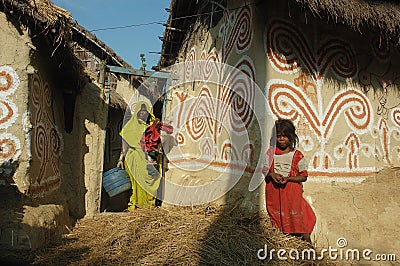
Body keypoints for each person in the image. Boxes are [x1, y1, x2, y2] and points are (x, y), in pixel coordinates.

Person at [263, 119, 316, 243]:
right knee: (278, 220)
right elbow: (264, 170)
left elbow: (303, 176)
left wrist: (288, 179)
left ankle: (309, 251)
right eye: (279, 136)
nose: (281, 139)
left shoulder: (297, 156)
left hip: (292, 195)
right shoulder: (270, 154)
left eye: (285, 136)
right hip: (276, 194)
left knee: (298, 219)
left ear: (291, 137)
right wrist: (272, 175)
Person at [117, 101, 161, 210]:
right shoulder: (129, 127)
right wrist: (120, 159)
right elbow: (124, 144)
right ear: (137, 112)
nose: (142, 113)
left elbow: (157, 142)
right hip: (134, 158)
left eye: (145, 111)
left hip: (147, 158)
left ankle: (149, 205)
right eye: (140, 111)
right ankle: (137, 205)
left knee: (152, 178)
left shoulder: (150, 127)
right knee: (136, 184)